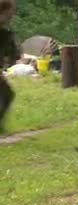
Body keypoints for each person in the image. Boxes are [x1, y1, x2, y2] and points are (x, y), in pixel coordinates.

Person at [0, 0, 17, 132]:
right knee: (7, 94)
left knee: (7, 94)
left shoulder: (5, 32)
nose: (13, 15)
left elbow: (12, 56)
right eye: (11, 11)